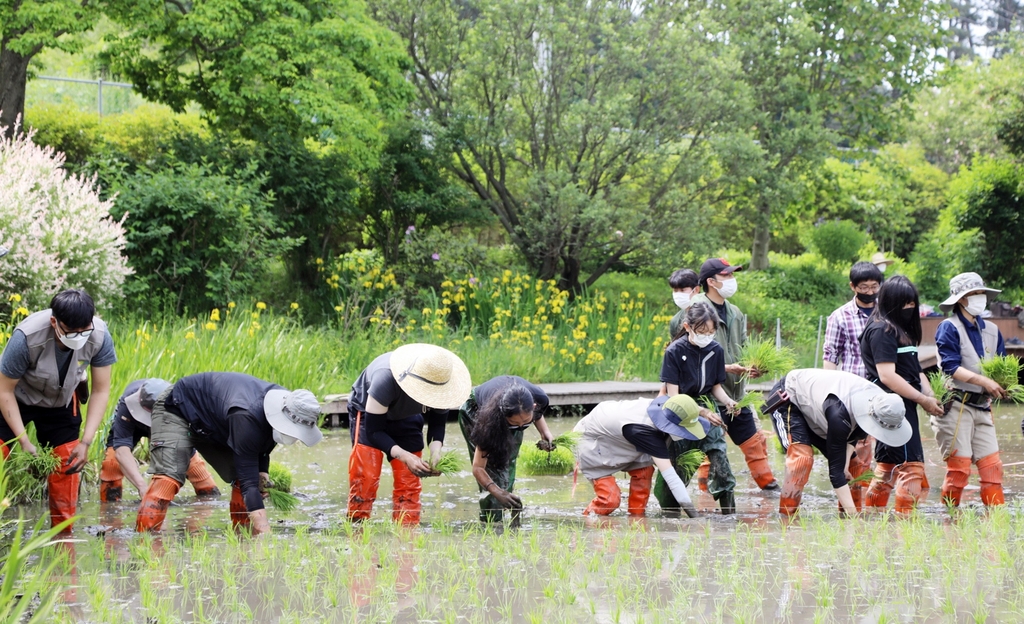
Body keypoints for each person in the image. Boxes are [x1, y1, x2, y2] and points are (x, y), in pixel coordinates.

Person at [135, 372, 323, 534]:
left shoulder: (286, 404)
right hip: (177, 408)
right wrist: (266, 532)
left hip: (213, 422)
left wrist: (262, 472)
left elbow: (264, 444)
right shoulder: (247, 415)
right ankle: (145, 541)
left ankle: (244, 536)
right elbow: (250, 482)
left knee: (246, 480)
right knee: (169, 478)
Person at [0, 289, 116, 530]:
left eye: (84, 332)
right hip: (17, 398)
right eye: (71, 332)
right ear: (55, 322)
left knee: (68, 462)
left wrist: (85, 442)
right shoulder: (26, 336)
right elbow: (4, 391)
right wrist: (24, 442)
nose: (79, 337)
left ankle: (63, 538)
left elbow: (100, 390)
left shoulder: (100, 336)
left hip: (60, 401)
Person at [347, 343, 471, 524]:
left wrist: (436, 451)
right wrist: (405, 456)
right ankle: (357, 531)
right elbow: (375, 432)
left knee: (409, 483)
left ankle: (407, 539)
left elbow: (437, 425)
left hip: (407, 416)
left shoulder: (443, 386)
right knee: (366, 478)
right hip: (369, 414)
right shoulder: (385, 379)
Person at [764, 369, 910, 515]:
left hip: (819, 409)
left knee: (854, 466)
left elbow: (853, 437)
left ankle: (847, 514)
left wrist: (845, 465)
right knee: (801, 460)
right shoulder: (841, 414)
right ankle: (787, 518)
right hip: (790, 396)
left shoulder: (881, 406)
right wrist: (855, 521)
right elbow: (836, 473)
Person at [688, 258, 778, 490]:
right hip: (706, 394)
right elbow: (688, 353)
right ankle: (706, 494)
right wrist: (727, 368)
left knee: (753, 440)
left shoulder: (735, 312)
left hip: (735, 391)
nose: (731, 280)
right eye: (726, 276)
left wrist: (752, 365)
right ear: (711, 281)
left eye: (731, 275)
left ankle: (768, 487)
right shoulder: (696, 309)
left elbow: (743, 347)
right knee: (710, 448)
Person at [860, 275, 944, 513]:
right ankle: (906, 524)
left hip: (903, 405)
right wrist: (923, 399)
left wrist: (929, 394)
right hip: (894, 407)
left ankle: (873, 519)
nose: (910, 308)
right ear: (891, 302)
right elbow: (887, 375)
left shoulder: (899, 330)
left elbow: (914, 370)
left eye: (912, 303)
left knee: (887, 466)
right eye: (905, 303)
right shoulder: (881, 330)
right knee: (911, 465)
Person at [933, 272, 1009, 508]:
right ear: (961, 299)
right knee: (959, 470)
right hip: (956, 405)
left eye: (981, 293)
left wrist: (1005, 385)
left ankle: (995, 521)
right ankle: (949, 518)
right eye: (974, 294)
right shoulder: (949, 327)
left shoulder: (993, 330)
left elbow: (1003, 366)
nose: (980, 298)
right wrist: (984, 382)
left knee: (993, 469)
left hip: (982, 406)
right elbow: (950, 367)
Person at [658, 302, 739, 514]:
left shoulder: (715, 350)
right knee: (682, 465)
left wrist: (728, 401)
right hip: (681, 410)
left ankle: (729, 516)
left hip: (708, 407)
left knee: (721, 459)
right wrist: (701, 412)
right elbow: (674, 397)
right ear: (687, 327)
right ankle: (669, 513)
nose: (707, 336)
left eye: (711, 332)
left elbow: (715, 387)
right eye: (702, 332)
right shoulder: (674, 351)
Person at [574, 394, 711, 518]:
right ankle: (587, 519)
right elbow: (671, 478)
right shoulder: (644, 433)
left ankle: (636, 518)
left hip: (620, 432)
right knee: (610, 500)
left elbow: (684, 407)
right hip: (592, 440)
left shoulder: (667, 405)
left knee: (644, 472)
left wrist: (704, 411)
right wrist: (693, 515)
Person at [822, 261, 885, 504]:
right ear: (853, 286)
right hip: (852, 394)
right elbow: (831, 355)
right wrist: (829, 394)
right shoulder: (840, 316)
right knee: (855, 456)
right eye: (864, 287)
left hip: (881, 393)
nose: (870, 292)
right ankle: (850, 510)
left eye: (874, 286)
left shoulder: (886, 313)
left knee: (879, 456)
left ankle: (869, 509)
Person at [99, 379, 220, 502]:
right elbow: (121, 449)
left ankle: (207, 506)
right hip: (133, 424)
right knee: (111, 463)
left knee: (195, 469)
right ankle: (109, 513)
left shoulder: (179, 405)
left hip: (167, 425)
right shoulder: (128, 402)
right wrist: (142, 487)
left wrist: (160, 488)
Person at [459, 376, 554, 522]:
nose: (521, 427)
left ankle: (509, 504)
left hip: (508, 408)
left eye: (526, 422)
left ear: (534, 407)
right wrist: (496, 491)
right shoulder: (489, 423)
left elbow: (537, 416)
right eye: (515, 424)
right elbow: (478, 467)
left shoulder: (540, 399)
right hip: (475, 409)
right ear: (503, 416)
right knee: (493, 469)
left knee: (509, 460)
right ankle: (492, 521)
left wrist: (545, 432)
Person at [667, 268, 700, 338]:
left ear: (696, 289)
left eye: (683, 290)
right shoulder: (676, 321)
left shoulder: (711, 313)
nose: (679, 294)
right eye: (675, 290)